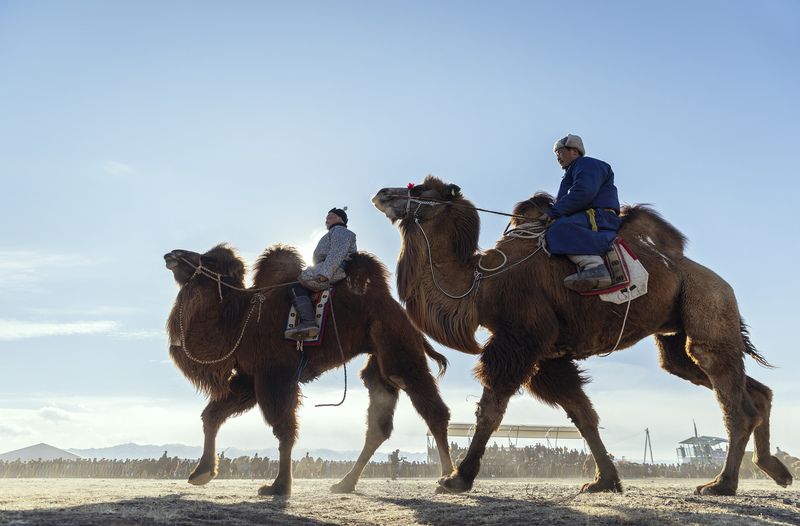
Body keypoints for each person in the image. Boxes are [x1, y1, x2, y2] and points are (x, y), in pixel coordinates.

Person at [545, 134, 621, 292]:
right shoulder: (571, 173)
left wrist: (553, 213)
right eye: (555, 154)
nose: (557, 157)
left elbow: (583, 193)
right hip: (588, 216)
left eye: (559, 152)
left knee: (558, 230)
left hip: (599, 216)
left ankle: (595, 267)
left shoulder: (587, 164)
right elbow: (564, 201)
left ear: (574, 151)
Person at [284, 207, 357, 340]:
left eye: (331, 216)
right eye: (326, 217)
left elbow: (337, 252)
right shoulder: (335, 232)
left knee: (296, 287)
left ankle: (308, 323)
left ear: (340, 218)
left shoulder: (341, 231)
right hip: (325, 267)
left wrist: (326, 273)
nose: (326, 219)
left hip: (333, 269)